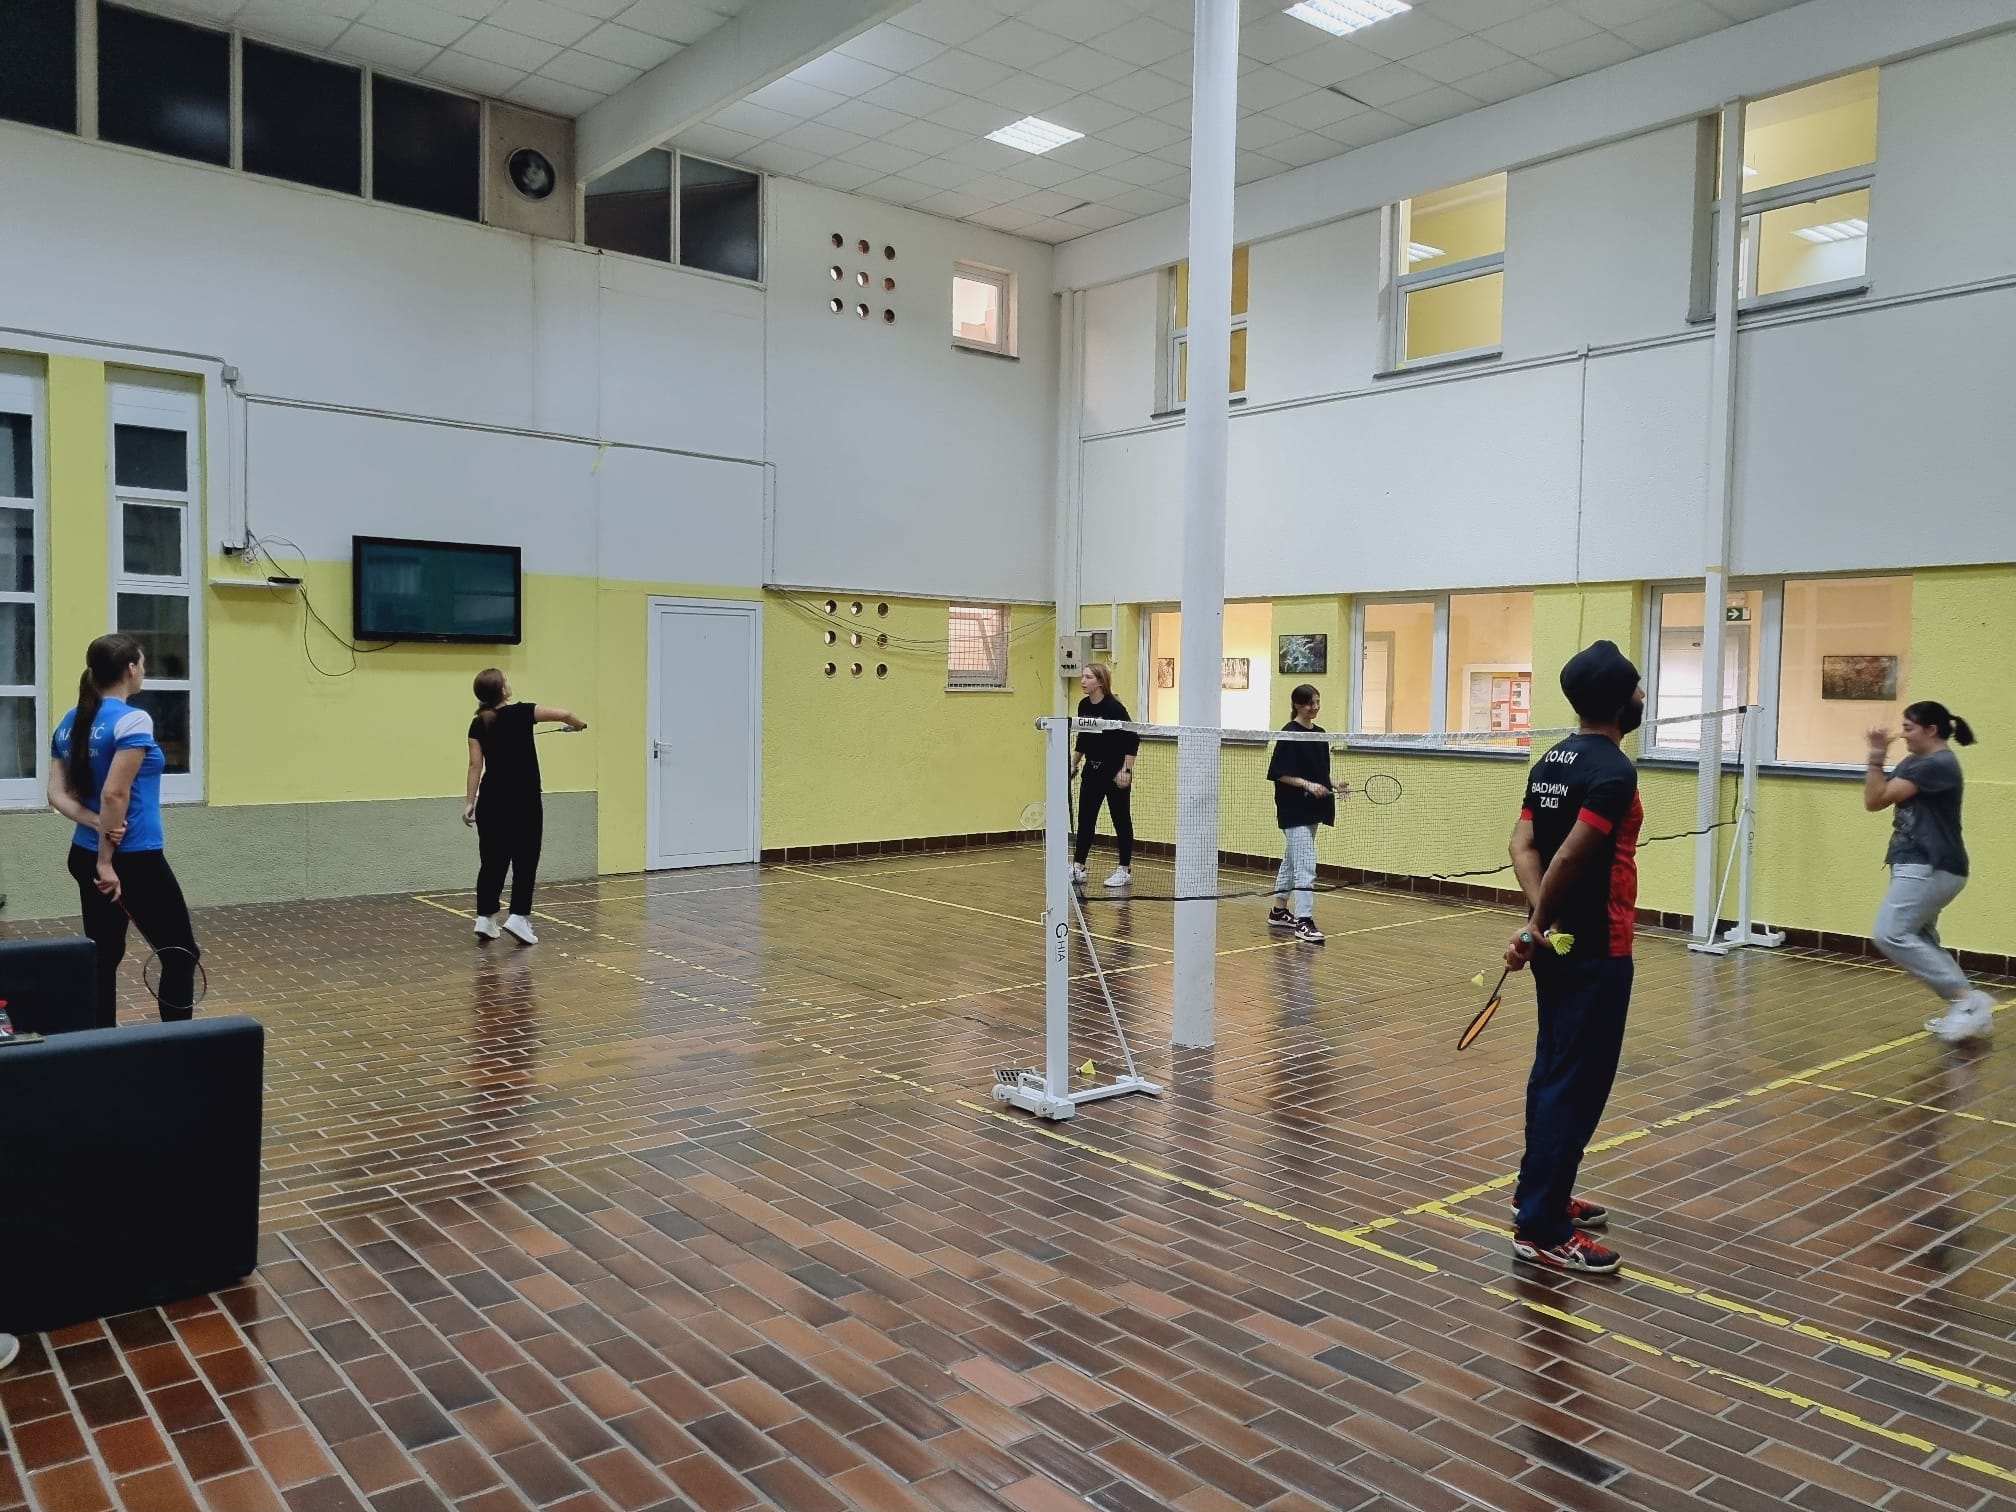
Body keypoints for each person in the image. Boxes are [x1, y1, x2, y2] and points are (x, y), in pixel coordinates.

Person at [1502, 640, 1646, 1275]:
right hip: (1597, 946)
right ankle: (1542, 1227)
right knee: (1576, 1084)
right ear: (1618, 701)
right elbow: (1569, 855)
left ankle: (1538, 1193)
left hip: (1560, 942)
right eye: (1637, 688)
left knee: (1553, 1070)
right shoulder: (1613, 770)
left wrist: (1539, 923)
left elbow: (1523, 844)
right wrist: (1540, 925)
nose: (1643, 697)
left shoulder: (1551, 760)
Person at [46, 634, 202, 1026]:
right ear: (131, 669)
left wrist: (95, 823)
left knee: (104, 955)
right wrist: (106, 861)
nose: (144, 671)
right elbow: (115, 793)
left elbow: (55, 794)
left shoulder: (71, 719)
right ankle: (177, 1047)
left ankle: (102, 1044)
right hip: (132, 859)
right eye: (142, 664)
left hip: (84, 854)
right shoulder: (133, 719)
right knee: (180, 953)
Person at [1865, 702, 1993, 1045]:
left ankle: (1967, 1002)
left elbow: (1880, 797)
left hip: (1931, 865)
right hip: (1913, 862)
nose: (1902, 734)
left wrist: (1876, 756)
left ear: (1931, 730)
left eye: (1909, 728)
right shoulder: (1914, 763)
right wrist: (1877, 758)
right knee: (1920, 939)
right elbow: (1874, 800)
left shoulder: (1938, 765)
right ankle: (1967, 1009)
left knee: (1890, 933)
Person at [466, 669, 586, 945]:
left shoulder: (477, 723)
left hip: (491, 801)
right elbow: (566, 714)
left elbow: (475, 765)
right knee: (525, 858)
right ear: (502, 690)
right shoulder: (523, 712)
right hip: (524, 800)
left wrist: (469, 802)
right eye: (506, 680)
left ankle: (485, 918)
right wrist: (579, 725)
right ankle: (518, 916)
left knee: (492, 861)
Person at [1265, 684, 1342, 945]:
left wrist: (1332, 783)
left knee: (1292, 860)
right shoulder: (1289, 734)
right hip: (1293, 808)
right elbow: (1278, 773)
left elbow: (1318, 772)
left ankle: (1278, 912)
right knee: (1305, 863)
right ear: (1298, 705)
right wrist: (1307, 785)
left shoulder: (1320, 734)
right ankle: (1304, 921)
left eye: (1318, 702)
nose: (1315, 707)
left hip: (1313, 807)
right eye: (1311, 703)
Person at [1071, 663, 1138, 888]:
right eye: (1083, 677)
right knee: (1086, 819)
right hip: (1092, 771)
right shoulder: (1083, 705)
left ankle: (1124, 869)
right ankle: (1078, 867)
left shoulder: (1114, 708)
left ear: (1100, 682)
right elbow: (1083, 739)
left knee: (1121, 819)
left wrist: (1126, 770)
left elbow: (1132, 738)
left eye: (1088, 677)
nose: (1083, 681)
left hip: (1115, 772)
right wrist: (1073, 763)